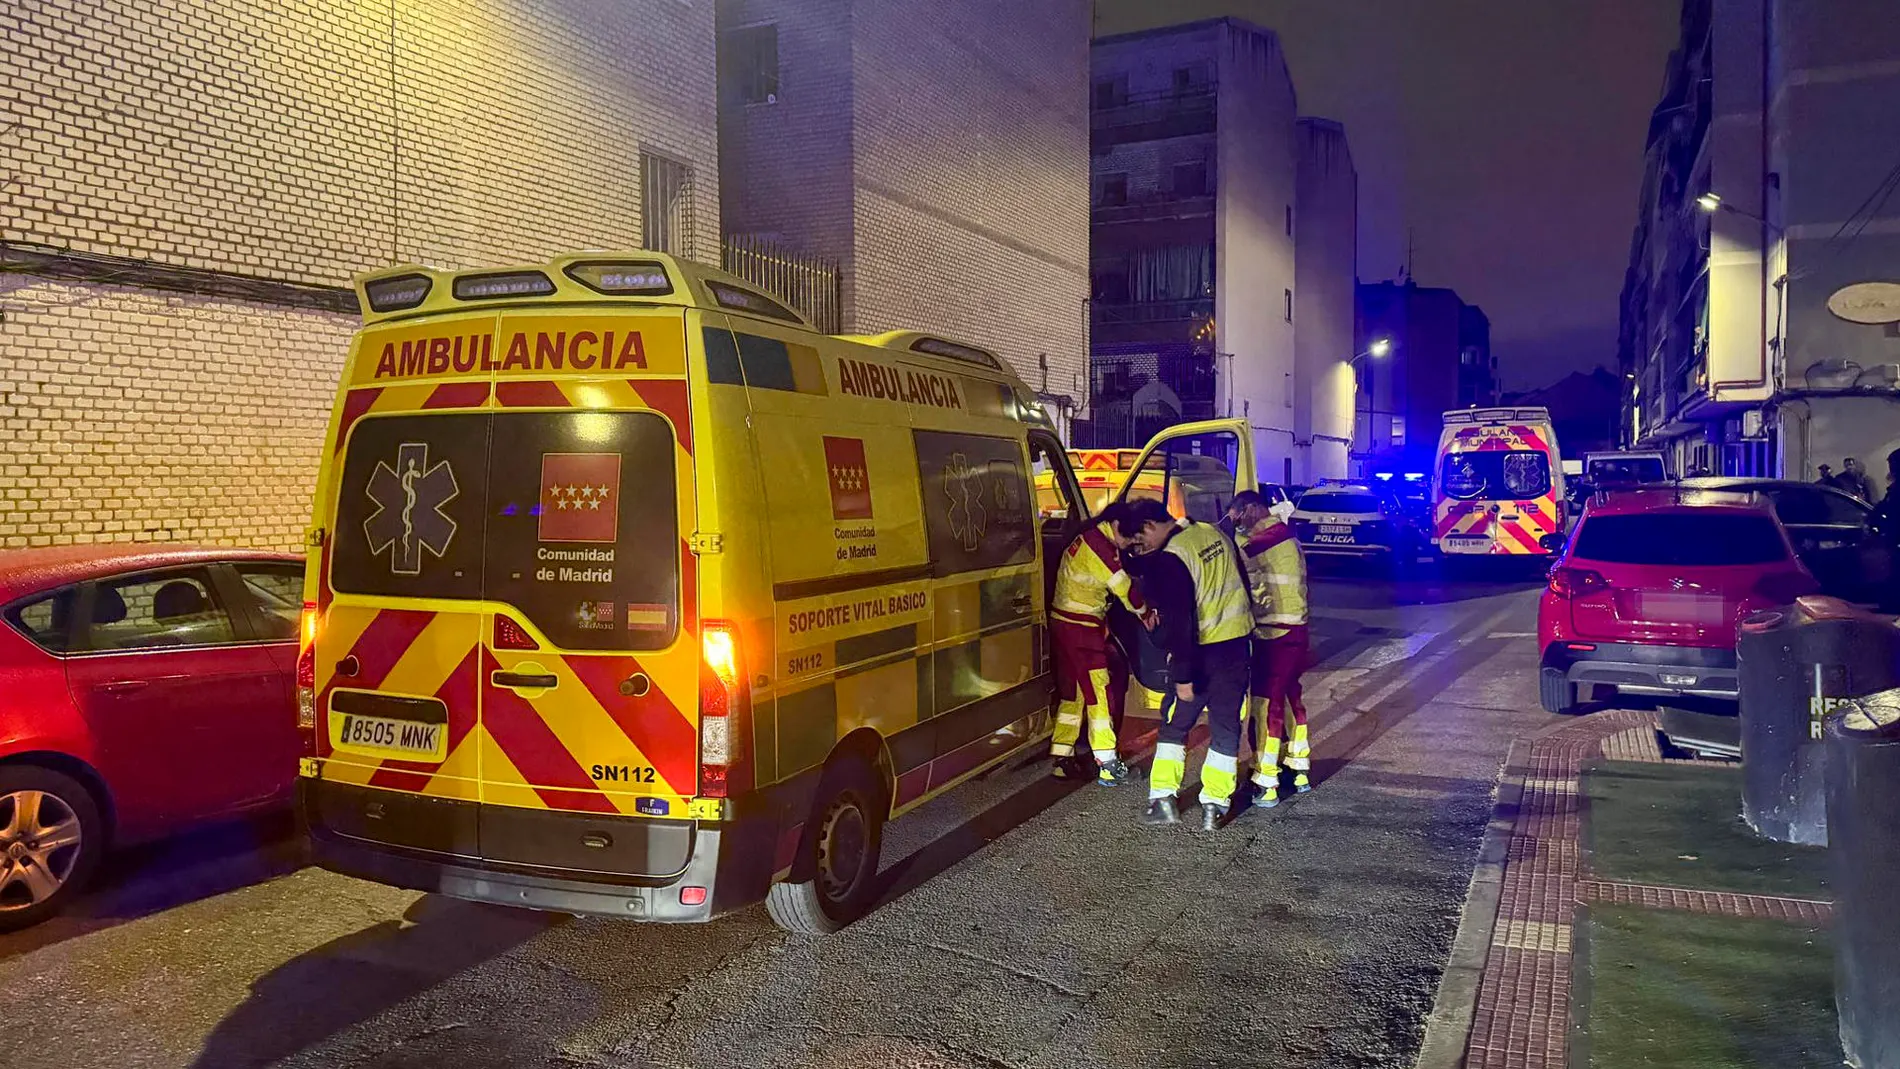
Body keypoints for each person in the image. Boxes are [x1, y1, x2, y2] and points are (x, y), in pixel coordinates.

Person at [1115, 498, 1253, 830]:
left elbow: (1181, 624)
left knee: (1175, 727)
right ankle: (1214, 807)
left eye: (1138, 542)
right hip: (1236, 648)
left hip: (1200, 655)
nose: (1139, 550)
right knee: (1226, 727)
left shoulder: (1171, 558)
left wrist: (1182, 676)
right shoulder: (1212, 532)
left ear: (1149, 526)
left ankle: (1163, 799)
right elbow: (1242, 585)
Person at [1048, 502, 1144, 785]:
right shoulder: (1100, 547)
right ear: (1117, 526)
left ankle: (1062, 756)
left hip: (1064, 622)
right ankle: (1107, 762)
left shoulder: (1088, 536)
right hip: (1081, 628)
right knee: (1099, 691)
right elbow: (1123, 586)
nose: (1129, 545)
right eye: (1129, 538)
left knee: (1073, 692)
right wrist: (1146, 612)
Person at [1227, 490, 1311, 809]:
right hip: (1293, 629)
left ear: (1253, 508)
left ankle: (1266, 778)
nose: (1239, 524)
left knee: (1265, 704)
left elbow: (1235, 557)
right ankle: (1298, 765)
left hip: (1275, 632)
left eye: (1239, 517)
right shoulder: (1284, 535)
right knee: (1290, 698)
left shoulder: (1269, 538)